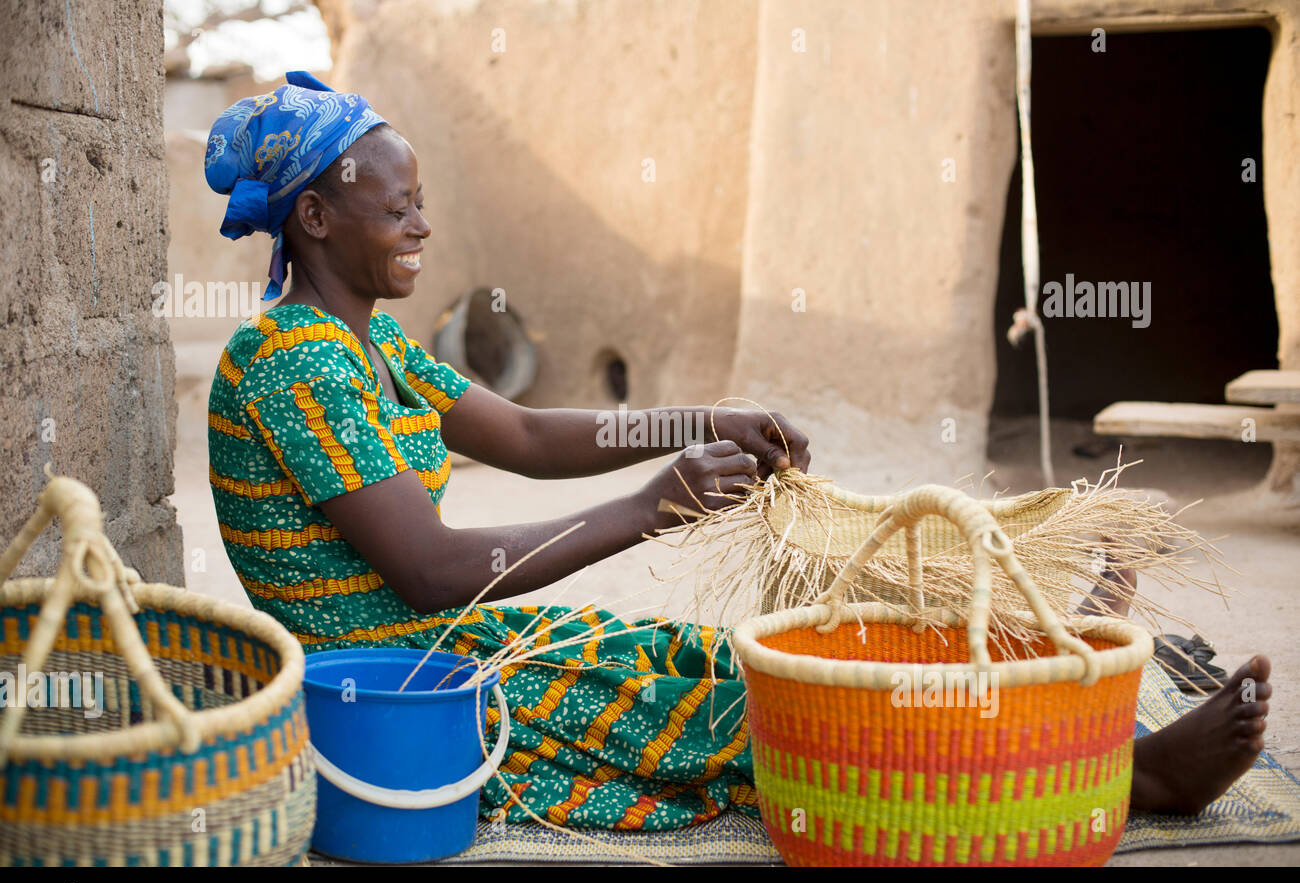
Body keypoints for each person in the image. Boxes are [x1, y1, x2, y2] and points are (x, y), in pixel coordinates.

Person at [205, 73, 1270, 831]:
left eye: (422, 202)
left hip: (445, 644)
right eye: (399, 209)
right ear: (314, 217)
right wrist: (645, 507)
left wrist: (697, 420)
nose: (423, 226)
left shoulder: (367, 341)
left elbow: (524, 433)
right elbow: (429, 568)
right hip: (399, 690)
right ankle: (1113, 778)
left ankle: (1045, 677)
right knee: (752, 721)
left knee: (723, 659)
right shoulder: (290, 363)